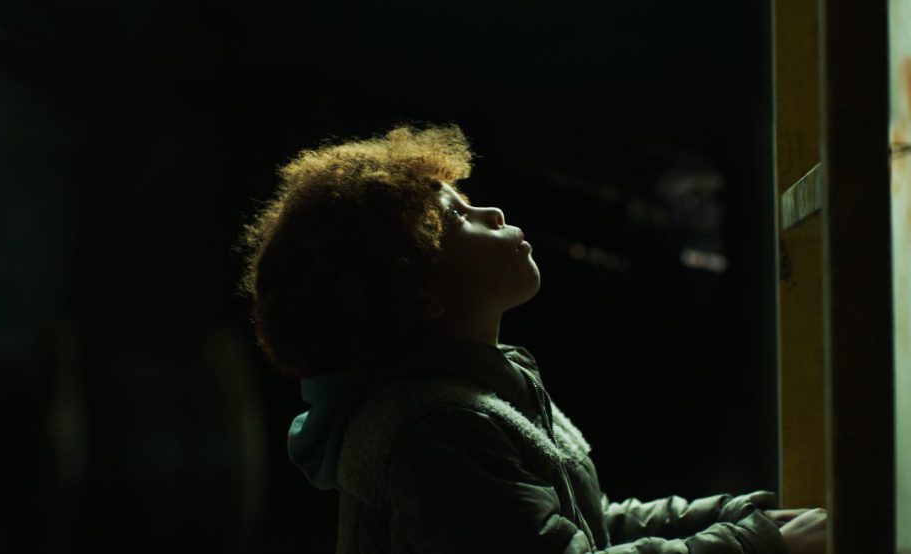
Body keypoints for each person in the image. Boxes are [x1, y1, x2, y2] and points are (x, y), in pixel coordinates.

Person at [238, 124, 827, 553]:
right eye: (456, 217)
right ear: (416, 288)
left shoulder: (486, 388)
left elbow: (591, 525)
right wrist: (756, 543)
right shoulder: (431, 428)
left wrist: (749, 516)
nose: (493, 213)